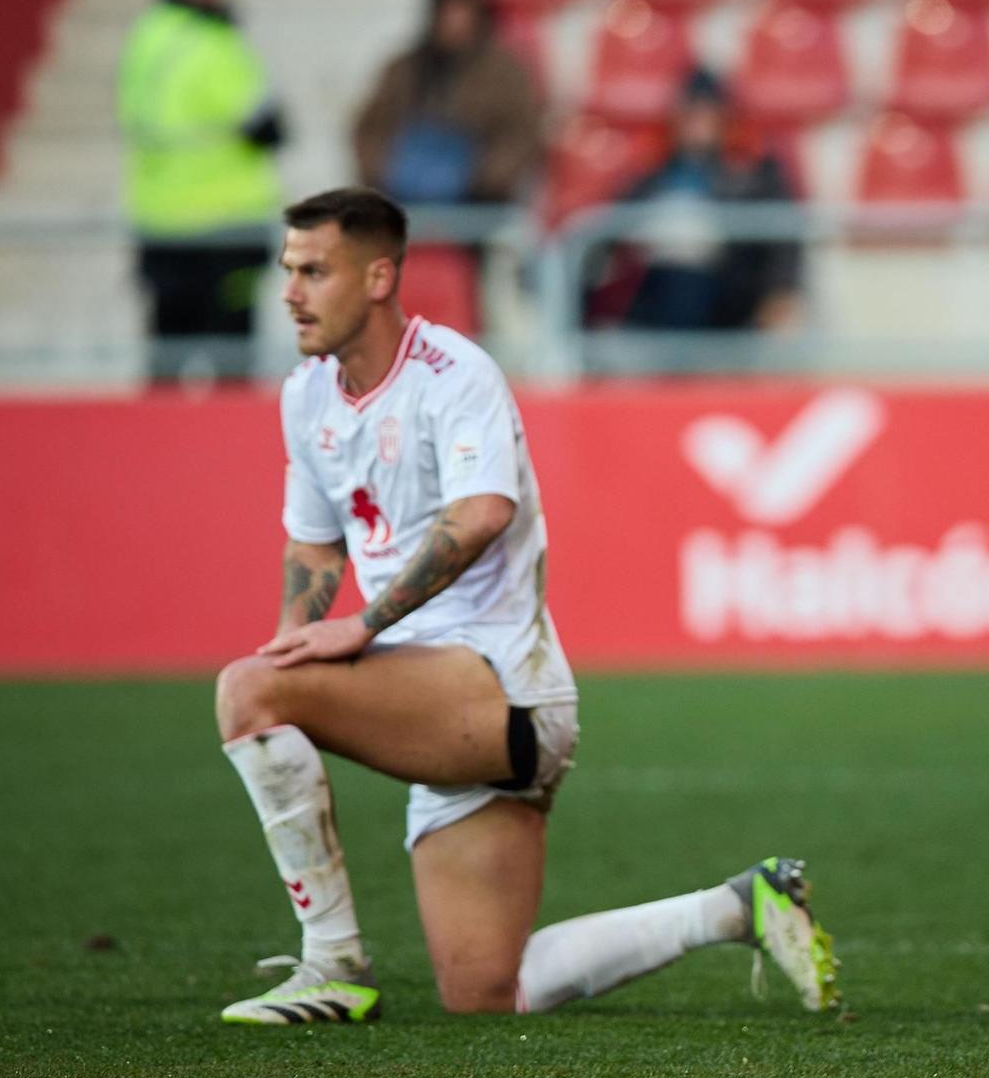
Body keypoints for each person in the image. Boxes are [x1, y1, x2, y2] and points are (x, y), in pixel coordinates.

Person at [211, 187, 839, 1025]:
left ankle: (331, 964)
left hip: (498, 685)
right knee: (485, 992)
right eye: (288, 269)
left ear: (378, 277)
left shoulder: (453, 373)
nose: (289, 291)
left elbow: (480, 512)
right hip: (435, 697)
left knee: (245, 691)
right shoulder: (307, 396)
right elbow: (316, 542)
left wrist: (356, 628)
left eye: (314, 271)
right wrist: (296, 638)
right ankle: (739, 905)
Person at [118, 0, 286, 381]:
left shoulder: (146, 36)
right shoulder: (212, 41)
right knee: (232, 362)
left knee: (166, 358)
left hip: (160, 222)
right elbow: (267, 126)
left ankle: (153, 447)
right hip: (225, 224)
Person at [586, 69, 802, 332]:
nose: (697, 123)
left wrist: (779, 291)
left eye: (706, 113)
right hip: (655, 285)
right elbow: (607, 232)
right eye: (691, 114)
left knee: (686, 288)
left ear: (724, 118)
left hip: (724, 292)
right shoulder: (652, 174)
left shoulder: (754, 173)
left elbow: (783, 238)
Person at [351, 0, 545, 206]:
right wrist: (386, 171)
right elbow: (368, 129)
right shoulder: (404, 69)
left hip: (477, 211)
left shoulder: (505, 73)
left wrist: (481, 180)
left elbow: (521, 134)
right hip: (404, 209)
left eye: (463, 8)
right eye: (448, 8)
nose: (456, 19)